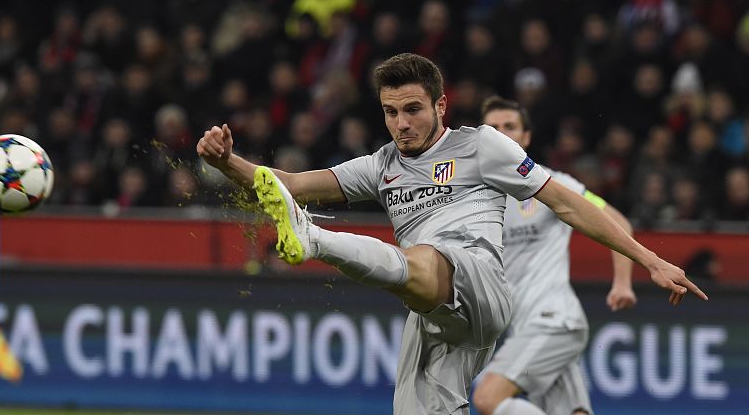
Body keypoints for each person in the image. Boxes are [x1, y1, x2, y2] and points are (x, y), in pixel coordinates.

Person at [197, 53, 707, 415]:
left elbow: (568, 203)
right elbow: (287, 185)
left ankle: (313, 240)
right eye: (391, 112)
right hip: (434, 313)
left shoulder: (483, 145)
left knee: (422, 257)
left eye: (413, 109)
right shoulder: (381, 165)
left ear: (441, 105)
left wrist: (650, 260)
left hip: (479, 282)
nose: (401, 123)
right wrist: (226, 162)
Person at [476, 96, 638, 415]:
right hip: (527, 328)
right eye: (493, 128)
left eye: (510, 126)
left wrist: (622, 282)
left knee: (487, 398)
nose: (502, 134)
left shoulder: (553, 185)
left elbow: (617, 221)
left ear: (526, 137)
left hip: (553, 321)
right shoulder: (474, 196)